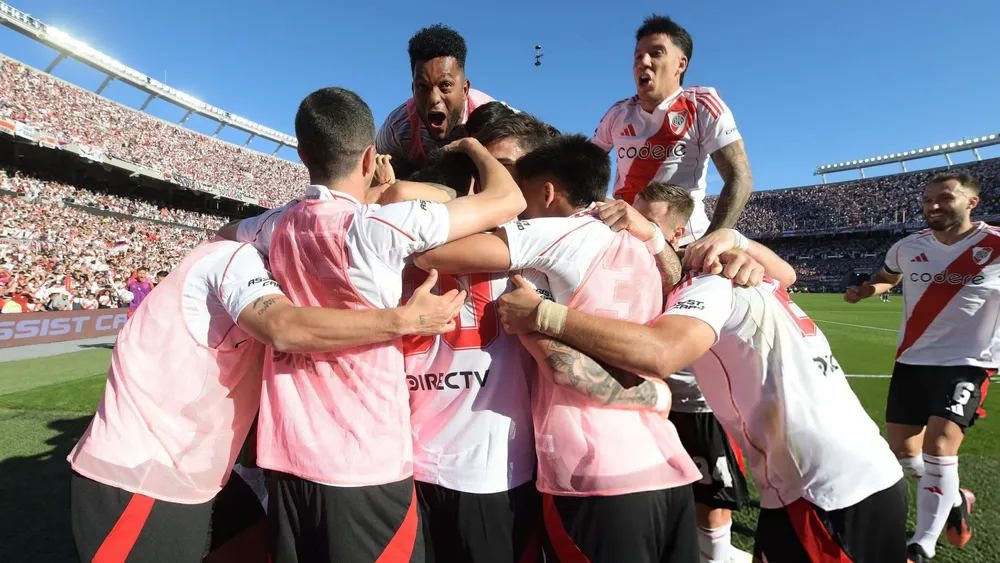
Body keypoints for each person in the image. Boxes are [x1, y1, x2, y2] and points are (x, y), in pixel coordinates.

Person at [413, 135, 764, 562]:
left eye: (521, 194)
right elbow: (673, 275)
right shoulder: (643, 246)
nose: (517, 206)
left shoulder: (555, 231)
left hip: (591, 473)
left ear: (546, 192)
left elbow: (428, 250)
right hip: (664, 466)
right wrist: (654, 234)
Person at [496, 206, 907, 563]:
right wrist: (736, 239)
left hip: (821, 492)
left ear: (679, 239)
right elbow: (787, 272)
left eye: (638, 224)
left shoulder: (709, 281)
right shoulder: (752, 275)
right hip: (865, 473)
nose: (622, 231)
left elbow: (661, 352)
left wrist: (543, 316)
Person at [226, 87, 526, 563]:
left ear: (302, 153)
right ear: (370, 157)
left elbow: (225, 234)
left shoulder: (273, 226)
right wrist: (470, 146)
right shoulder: (379, 227)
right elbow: (508, 200)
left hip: (286, 459)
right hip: (363, 465)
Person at [66, 237, 466, 563]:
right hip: (142, 478)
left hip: (197, 478)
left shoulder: (260, 269)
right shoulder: (235, 259)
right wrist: (403, 320)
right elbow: (282, 328)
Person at [402, 112, 557, 563]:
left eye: (510, 168)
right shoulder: (411, 227)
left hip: (493, 475)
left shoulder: (550, 244)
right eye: (487, 165)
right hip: (411, 467)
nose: (497, 182)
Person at [844, 172, 996, 563]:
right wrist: (865, 291)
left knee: (940, 447)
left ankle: (922, 543)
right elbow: (886, 279)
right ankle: (956, 496)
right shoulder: (908, 247)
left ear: (971, 202)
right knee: (903, 451)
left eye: (944, 198)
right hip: (912, 359)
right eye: (927, 200)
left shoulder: (995, 244)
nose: (932, 206)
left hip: (967, 362)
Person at [591, 14, 751, 245]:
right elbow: (582, 167)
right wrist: (602, 202)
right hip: (627, 237)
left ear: (681, 64)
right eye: (638, 56)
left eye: (656, 53)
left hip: (683, 241)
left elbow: (740, 176)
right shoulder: (618, 113)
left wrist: (710, 241)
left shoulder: (701, 103)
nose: (643, 63)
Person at [376, 25, 496, 178]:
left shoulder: (493, 121)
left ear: (465, 90)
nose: (434, 99)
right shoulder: (396, 130)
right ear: (413, 90)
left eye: (445, 85)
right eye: (422, 87)